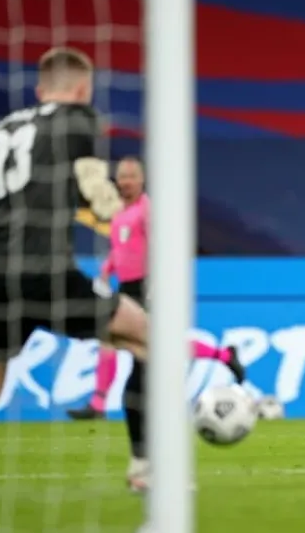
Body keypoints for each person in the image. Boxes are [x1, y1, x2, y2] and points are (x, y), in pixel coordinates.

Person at [0, 47, 154, 490]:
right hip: (46, 270)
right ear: (82, 89)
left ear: (40, 90)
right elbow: (90, 178)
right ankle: (145, 466)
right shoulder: (79, 120)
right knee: (150, 340)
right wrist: (108, 204)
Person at [66, 156, 245, 421]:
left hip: (145, 286)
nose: (126, 181)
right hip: (125, 286)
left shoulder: (147, 210)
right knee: (108, 339)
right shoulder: (119, 212)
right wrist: (106, 271)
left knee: (157, 344)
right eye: (122, 176)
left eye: (131, 176)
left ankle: (222, 356)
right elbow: (122, 249)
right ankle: (98, 404)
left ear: (142, 180)